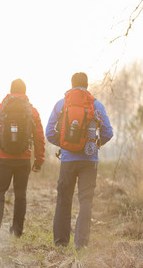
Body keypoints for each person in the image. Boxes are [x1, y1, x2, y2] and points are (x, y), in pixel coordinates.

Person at [45, 72, 113, 249]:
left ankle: (60, 243)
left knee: (63, 199)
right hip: (89, 161)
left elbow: (49, 132)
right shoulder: (96, 105)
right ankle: (81, 244)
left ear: (72, 84)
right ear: (87, 85)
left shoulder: (62, 104)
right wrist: (94, 144)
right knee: (85, 201)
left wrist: (65, 144)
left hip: (67, 160)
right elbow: (108, 132)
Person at [0, 79, 45, 236]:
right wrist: (38, 160)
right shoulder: (32, 111)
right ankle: (17, 230)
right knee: (20, 194)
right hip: (23, 159)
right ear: (25, 92)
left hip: (4, 159)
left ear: (10, 91)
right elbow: (39, 137)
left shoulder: (0, 108)